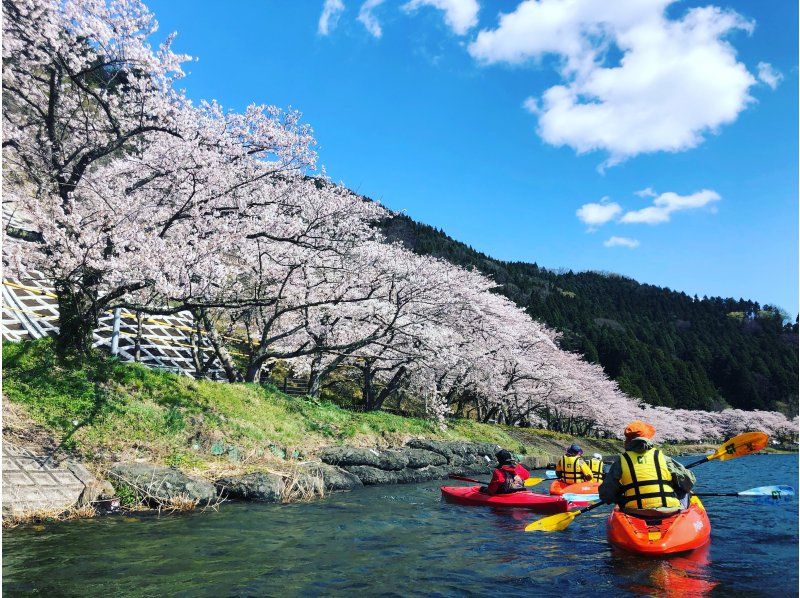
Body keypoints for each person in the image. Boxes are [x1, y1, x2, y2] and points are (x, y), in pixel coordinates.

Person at [599, 420, 695, 518]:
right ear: (648, 438)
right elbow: (689, 483)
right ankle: (684, 517)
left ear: (627, 441)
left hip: (634, 512)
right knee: (684, 489)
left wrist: (618, 495)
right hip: (668, 510)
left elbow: (606, 494)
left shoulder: (621, 461)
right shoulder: (663, 458)